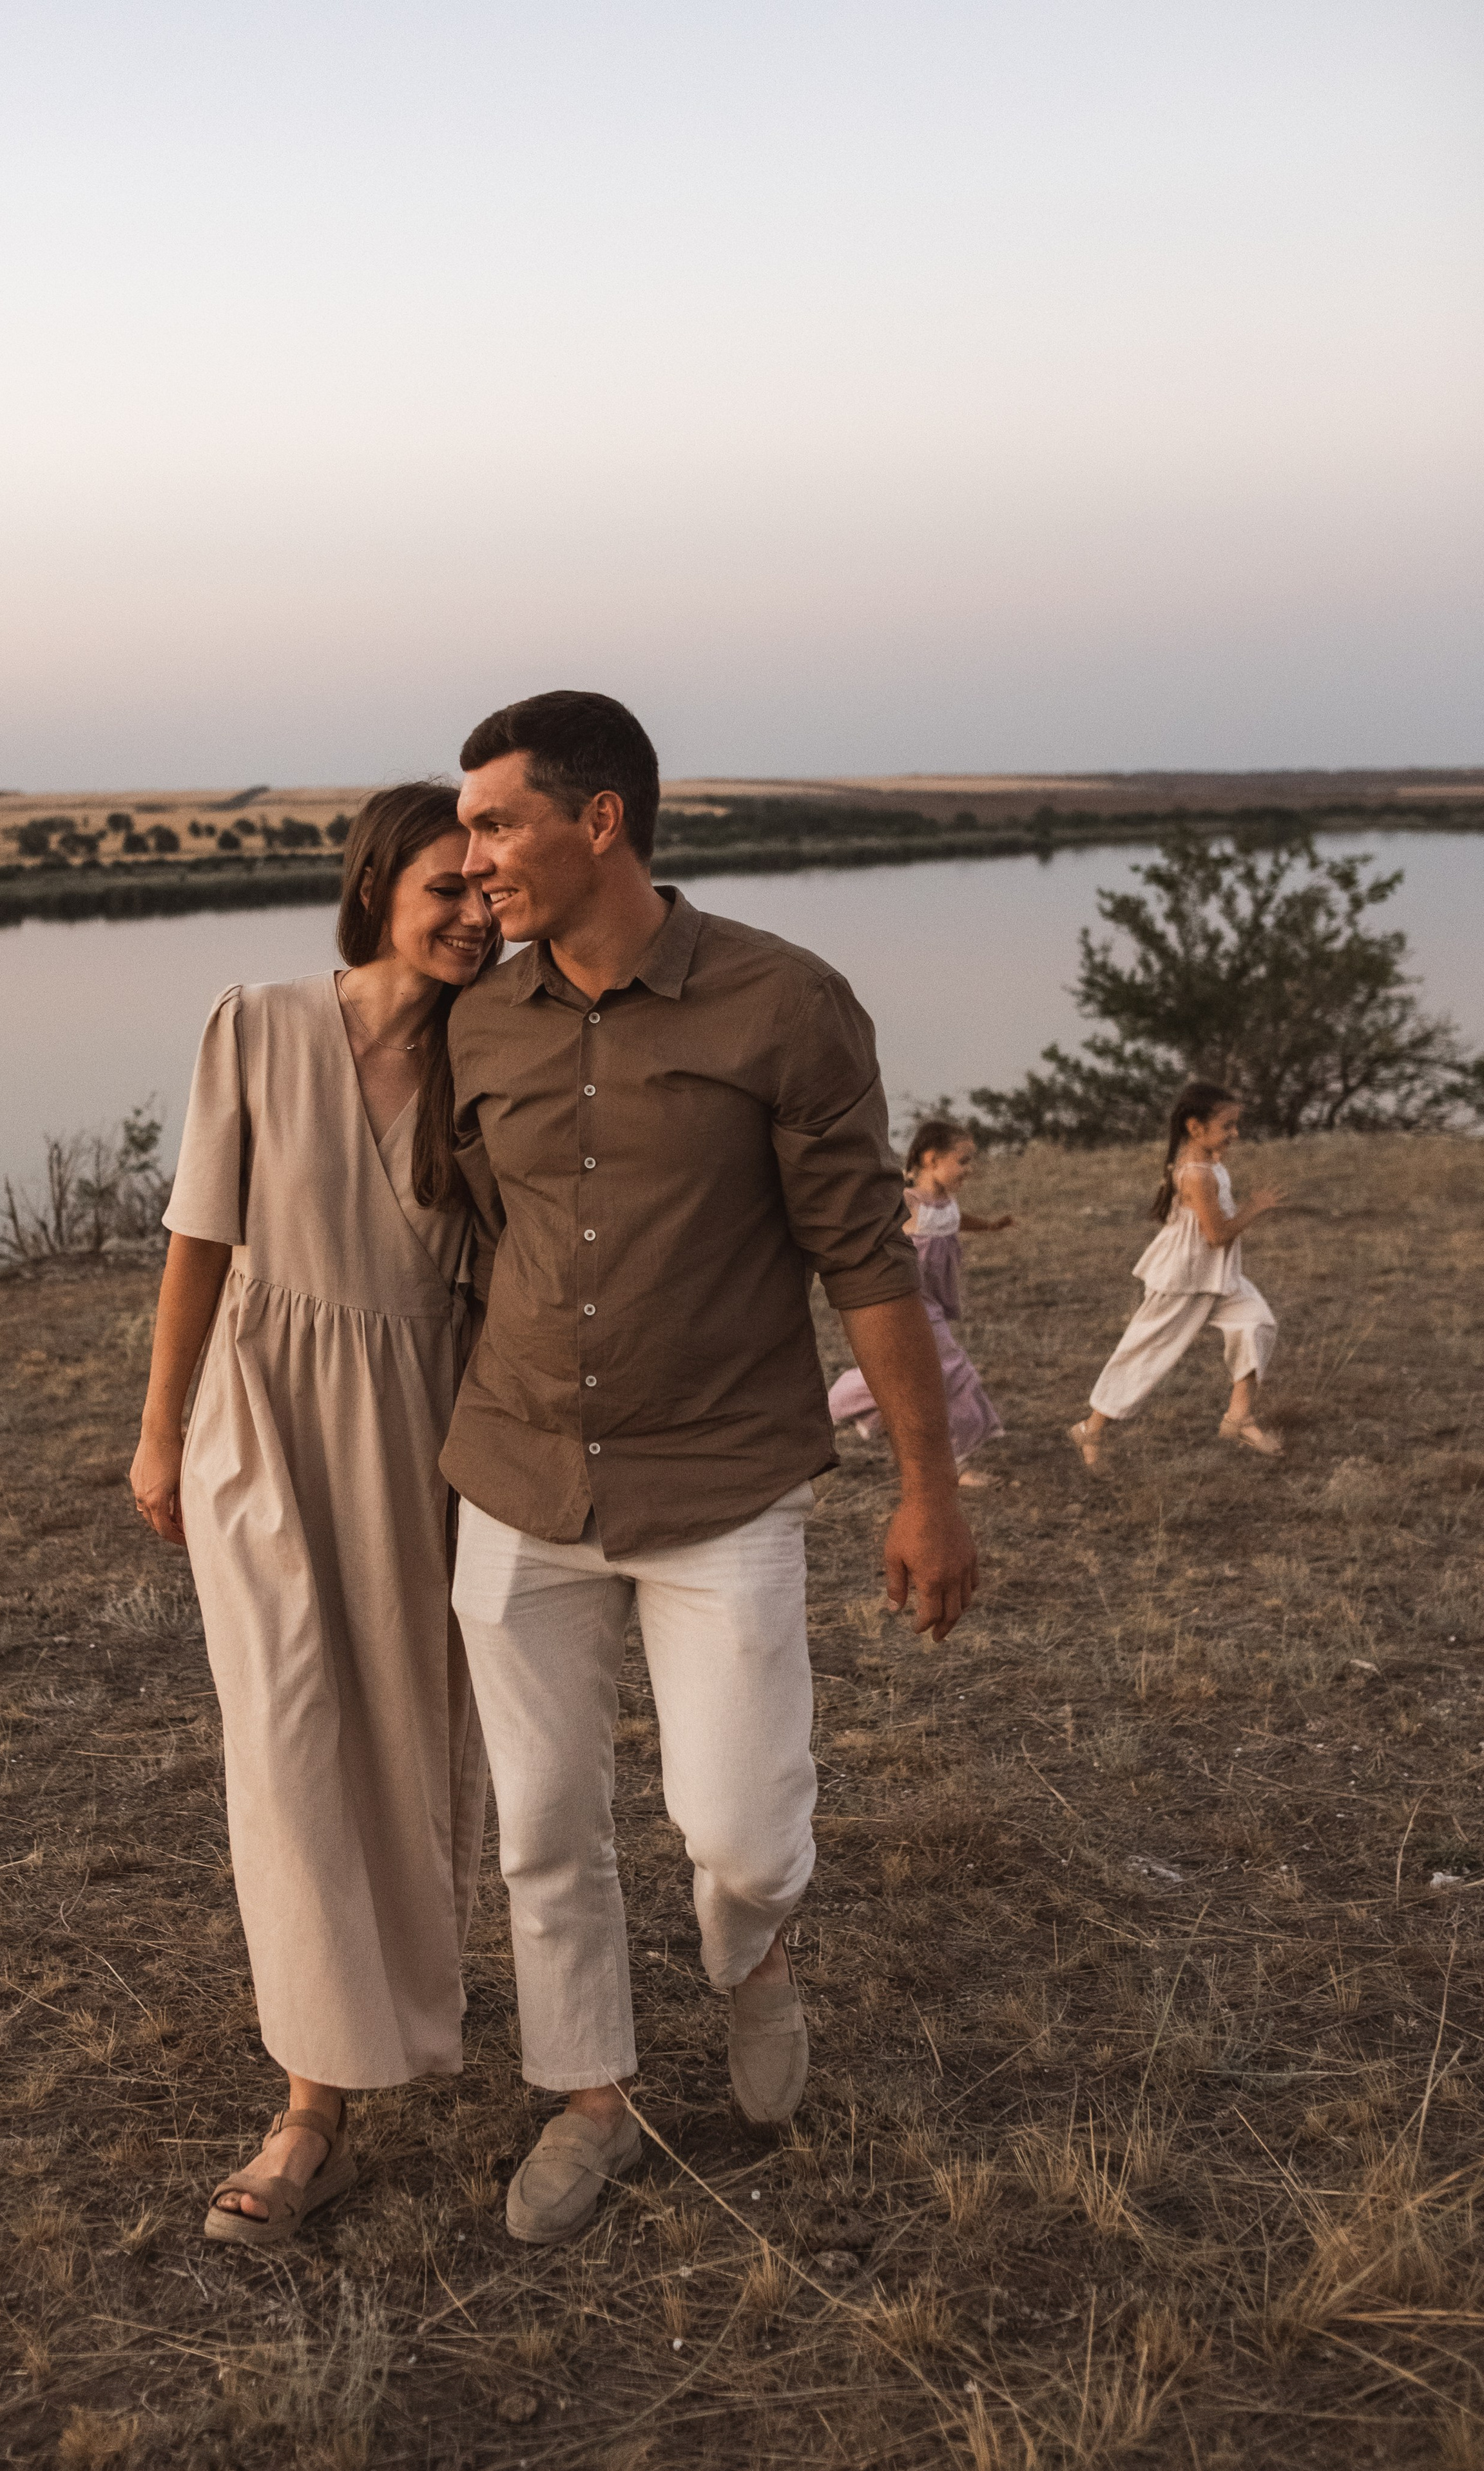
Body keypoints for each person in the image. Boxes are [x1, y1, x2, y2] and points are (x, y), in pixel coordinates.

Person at [440, 689, 978, 2247]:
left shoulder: (784, 1003)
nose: (473, 857)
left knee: (738, 1827)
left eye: (494, 822)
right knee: (543, 1823)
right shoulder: (480, 1017)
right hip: (517, 1472)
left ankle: (750, 1954)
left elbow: (865, 1262)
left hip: (719, 1480)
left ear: (596, 818)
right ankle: (588, 2095)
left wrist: (928, 1488)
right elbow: (485, 1234)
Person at [128, 783, 494, 2248]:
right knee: (287, 1751)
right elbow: (196, 1243)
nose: (471, 912)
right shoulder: (259, 1023)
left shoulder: (503, 1054)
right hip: (264, 1424)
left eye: (487, 887)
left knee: (408, 1743)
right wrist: (160, 1433)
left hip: (423, 1438)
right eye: (441, 889)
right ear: (375, 886)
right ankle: (309, 2110)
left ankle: (405, 2010)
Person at [1069, 1080, 1285, 1468]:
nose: (1235, 1134)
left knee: (1257, 1323)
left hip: (1217, 1276)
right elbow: (1217, 1235)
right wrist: (1254, 1208)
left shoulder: (1206, 1158)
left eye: (1236, 1125)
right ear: (1195, 1128)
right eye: (1227, 1127)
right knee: (1147, 1352)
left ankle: (1239, 1418)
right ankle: (1092, 1428)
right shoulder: (1196, 1172)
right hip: (1185, 1278)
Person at [827, 1116, 1010, 1486]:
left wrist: (991, 1226)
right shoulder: (905, 1201)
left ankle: (824, 1411)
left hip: (933, 1306)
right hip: (905, 1302)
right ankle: (958, 1464)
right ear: (931, 1159)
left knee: (899, 1373)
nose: (969, 1169)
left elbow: (955, 1221)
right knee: (953, 1370)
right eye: (962, 1160)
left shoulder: (946, 1202)